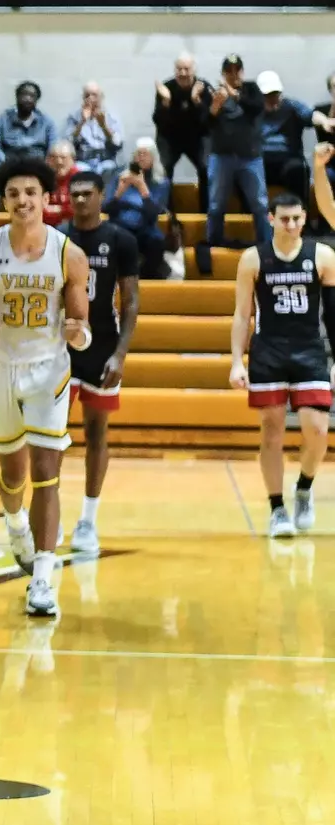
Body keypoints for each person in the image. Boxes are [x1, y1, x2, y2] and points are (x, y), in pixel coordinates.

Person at [0, 157, 92, 618]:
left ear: (45, 198)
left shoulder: (69, 254)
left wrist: (78, 335)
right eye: (14, 193)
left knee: (46, 469)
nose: (23, 201)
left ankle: (43, 577)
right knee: (13, 474)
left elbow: (80, 325)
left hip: (48, 370)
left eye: (31, 192)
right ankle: (15, 521)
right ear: (4, 201)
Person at [233, 181, 334, 537]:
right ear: (271, 219)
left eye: (296, 218)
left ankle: (304, 486)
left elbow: (333, 315)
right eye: (284, 219)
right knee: (272, 431)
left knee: (318, 429)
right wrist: (236, 360)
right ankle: (277, 508)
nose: (291, 225)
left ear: (304, 218)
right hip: (269, 351)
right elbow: (242, 315)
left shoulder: (322, 256)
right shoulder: (253, 258)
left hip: (309, 350)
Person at [62, 171, 141, 555]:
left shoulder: (120, 239)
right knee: (49, 435)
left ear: (101, 195)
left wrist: (120, 354)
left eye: (87, 194)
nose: (80, 200)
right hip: (60, 348)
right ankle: (47, 514)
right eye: (74, 194)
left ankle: (88, 520)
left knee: (96, 433)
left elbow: (131, 301)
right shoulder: (57, 238)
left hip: (103, 346)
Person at [204, 55, 269, 247]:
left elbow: (256, 108)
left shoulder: (252, 89)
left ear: (242, 71)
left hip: (250, 157)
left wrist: (234, 94)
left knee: (260, 204)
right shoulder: (213, 93)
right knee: (216, 205)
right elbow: (204, 126)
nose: (233, 75)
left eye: (237, 70)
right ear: (223, 74)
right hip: (221, 157)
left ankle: (267, 245)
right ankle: (213, 244)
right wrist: (214, 107)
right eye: (229, 71)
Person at [106, 140, 172, 278]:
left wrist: (143, 188)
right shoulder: (119, 177)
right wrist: (119, 192)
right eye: (138, 154)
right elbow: (106, 208)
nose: (141, 157)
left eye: (145, 154)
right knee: (114, 238)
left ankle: (147, 279)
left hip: (146, 227)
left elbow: (153, 214)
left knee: (156, 242)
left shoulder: (161, 182)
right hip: (120, 226)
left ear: (153, 158)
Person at [155, 54, 209, 213]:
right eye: (179, 69)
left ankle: (206, 212)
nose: (183, 73)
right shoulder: (166, 88)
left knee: (207, 167)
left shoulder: (203, 87)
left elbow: (208, 122)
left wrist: (196, 100)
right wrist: (166, 102)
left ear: (194, 70)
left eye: (187, 69)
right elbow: (158, 121)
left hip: (197, 137)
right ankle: (167, 212)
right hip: (171, 137)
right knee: (163, 169)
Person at [258, 71, 313, 203]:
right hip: (262, 160)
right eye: (268, 96)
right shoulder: (253, 110)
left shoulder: (292, 106)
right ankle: (252, 215)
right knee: (245, 168)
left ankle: (300, 212)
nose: (273, 99)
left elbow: (311, 116)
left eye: (275, 95)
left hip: (287, 159)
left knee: (297, 169)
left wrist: (324, 121)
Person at [0, 81, 55, 176]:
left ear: (36, 100)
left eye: (32, 96)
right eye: (24, 94)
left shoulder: (46, 121)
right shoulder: (3, 118)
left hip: (37, 164)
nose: (28, 99)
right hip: (9, 163)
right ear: (17, 97)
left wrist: (44, 164)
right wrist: (6, 161)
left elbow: (53, 148)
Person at [64, 82, 123, 180]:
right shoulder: (74, 117)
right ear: (83, 98)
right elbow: (68, 143)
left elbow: (118, 144)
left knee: (109, 169)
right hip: (83, 161)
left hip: (106, 160)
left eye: (94, 95)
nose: (90, 99)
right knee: (79, 170)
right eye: (87, 95)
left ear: (101, 97)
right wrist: (82, 122)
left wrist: (104, 126)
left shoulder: (112, 117)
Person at [44, 141, 77, 227]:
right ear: (47, 160)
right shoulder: (41, 178)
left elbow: (79, 208)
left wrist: (59, 209)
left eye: (63, 157)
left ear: (73, 160)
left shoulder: (80, 179)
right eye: (53, 157)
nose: (59, 162)